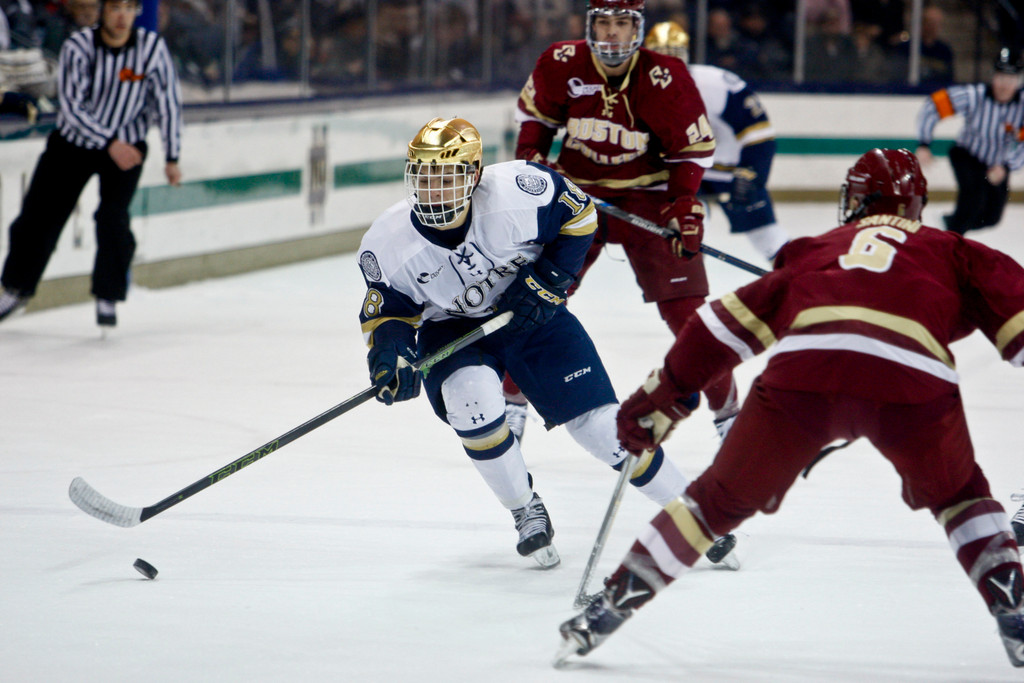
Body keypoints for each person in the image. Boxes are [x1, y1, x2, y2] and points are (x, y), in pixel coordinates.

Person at [554, 148, 1024, 670]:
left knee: (711, 504)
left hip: (804, 376)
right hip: (910, 377)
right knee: (961, 496)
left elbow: (716, 329)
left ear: (859, 201)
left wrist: (661, 397)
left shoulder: (814, 250)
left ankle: (609, 608)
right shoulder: (956, 251)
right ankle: (1015, 611)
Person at [356, 116, 737, 570]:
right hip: (453, 330)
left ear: (474, 175)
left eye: (445, 178)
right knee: (471, 404)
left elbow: (581, 216)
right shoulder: (387, 242)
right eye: (423, 178)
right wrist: (391, 355)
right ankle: (525, 509)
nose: (432, 191)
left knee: (602, 428)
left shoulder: (520, 191)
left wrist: (548, 281)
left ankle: (692, 511)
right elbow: (389, 314)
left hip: (533, 316)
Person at [510, 0, 741, 443]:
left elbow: (689, 152)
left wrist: (683, 203)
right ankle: (511, 401)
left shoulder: (665, 75)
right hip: (578, 195)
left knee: (689, 316)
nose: (612, 32)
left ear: (637, 28)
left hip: (649, 196)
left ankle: (729, 415)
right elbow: (536, 123)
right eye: (604, 22)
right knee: (536, 300)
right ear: (589, 24)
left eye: (622, 23)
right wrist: (533, 159)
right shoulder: (562, 61)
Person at [0, 0, 182, 328]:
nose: (122, 16)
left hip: (127, 145)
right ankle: (15, 287)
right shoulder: (78, 47)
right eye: (115, 8)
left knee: (113, 219)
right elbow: (72, 106)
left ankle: (108, 294)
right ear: (103, 12)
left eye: (129, 8)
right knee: (39, 217)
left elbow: (167, 102)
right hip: (75, 143)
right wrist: (109, 143)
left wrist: (172, 156)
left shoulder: (152, 48)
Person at [644, 21, 789, 262]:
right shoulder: (636, 89)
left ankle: (797, 275)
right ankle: (686, 277)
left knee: (767, 237)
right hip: (684, 174)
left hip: (731, 171)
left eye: (674, 55)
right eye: (659, 56)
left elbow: (759, 134)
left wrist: (753, 174)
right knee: (684, 234)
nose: (667, 64)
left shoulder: (716, 84)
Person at [916, 47, 1024, 235]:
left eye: (1011, 79)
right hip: (967, 155)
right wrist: (924, 144)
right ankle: (952, 240)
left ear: (1019, 81)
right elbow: (932, 106)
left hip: (998, 164)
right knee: (973, 198)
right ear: (993, 76)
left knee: (991, 217)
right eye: (1001, 77)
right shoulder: (974, 95)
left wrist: (1007, 167)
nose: (1004, 85)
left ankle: (951, 225)